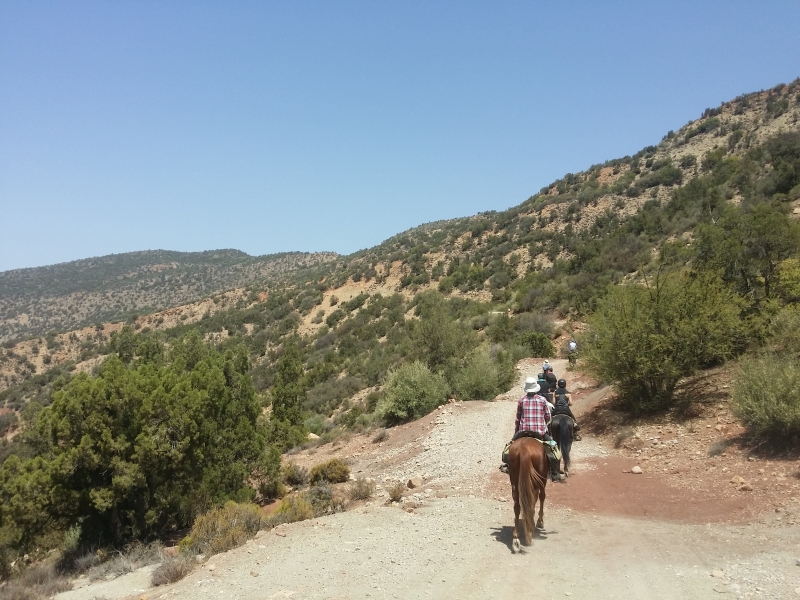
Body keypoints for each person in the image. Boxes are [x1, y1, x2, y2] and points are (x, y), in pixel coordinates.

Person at [500, 377, 562, 481]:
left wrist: (516, 431)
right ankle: (555, 473)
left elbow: (518, 418)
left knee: (509, 446)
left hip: (523, 431)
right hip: (540, 433)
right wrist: (545, 424)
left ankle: (508, 465)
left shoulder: (521, 400)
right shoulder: (543, 400)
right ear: (536, 389)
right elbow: (548, 417)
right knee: (554, 448)